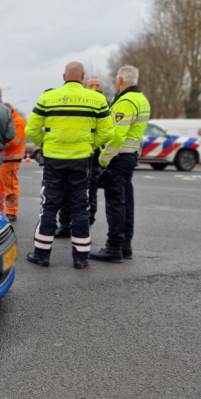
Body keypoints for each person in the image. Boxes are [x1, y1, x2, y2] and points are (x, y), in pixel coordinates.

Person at [25, 62, 113, 269]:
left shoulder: (48, 97)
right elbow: (108, 132)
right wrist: (91, 144)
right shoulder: (97, 99)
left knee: (49, 205)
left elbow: (32, 129)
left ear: (64, 76)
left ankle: (42, 254)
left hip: (54, 160)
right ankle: (81, 258)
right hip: (81, 159)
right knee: (80, 206)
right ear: (82, 77)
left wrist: (46, 144)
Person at [90, 65, 150, 263]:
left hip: (118, 158)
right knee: (126, 203)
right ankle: (125, 245)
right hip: (129, 157)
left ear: (120, 80)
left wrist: (103, 160)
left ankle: (113, 247)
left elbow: (116, 136)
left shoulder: (125, 101)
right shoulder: (141, 100)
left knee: (115, 204)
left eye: (116, 80)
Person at [55, 77, 104, 238]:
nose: (94, 88)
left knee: (89, 195)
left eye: (97, 86)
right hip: (72, 156)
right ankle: (64, 224)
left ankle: (84, 226)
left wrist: (92, 147)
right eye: (91, 85)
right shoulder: (77, 103)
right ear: (84, 87)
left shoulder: (103, 104)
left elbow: (106, 132)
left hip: (92, 158)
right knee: (65, 192)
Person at [0, 102, 26, 222]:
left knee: (10, 186)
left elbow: (14, 141)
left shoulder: (18, 122)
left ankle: (11, 212)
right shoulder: (10, 120)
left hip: (12, 158)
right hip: (5, 158)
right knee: (0, 186)